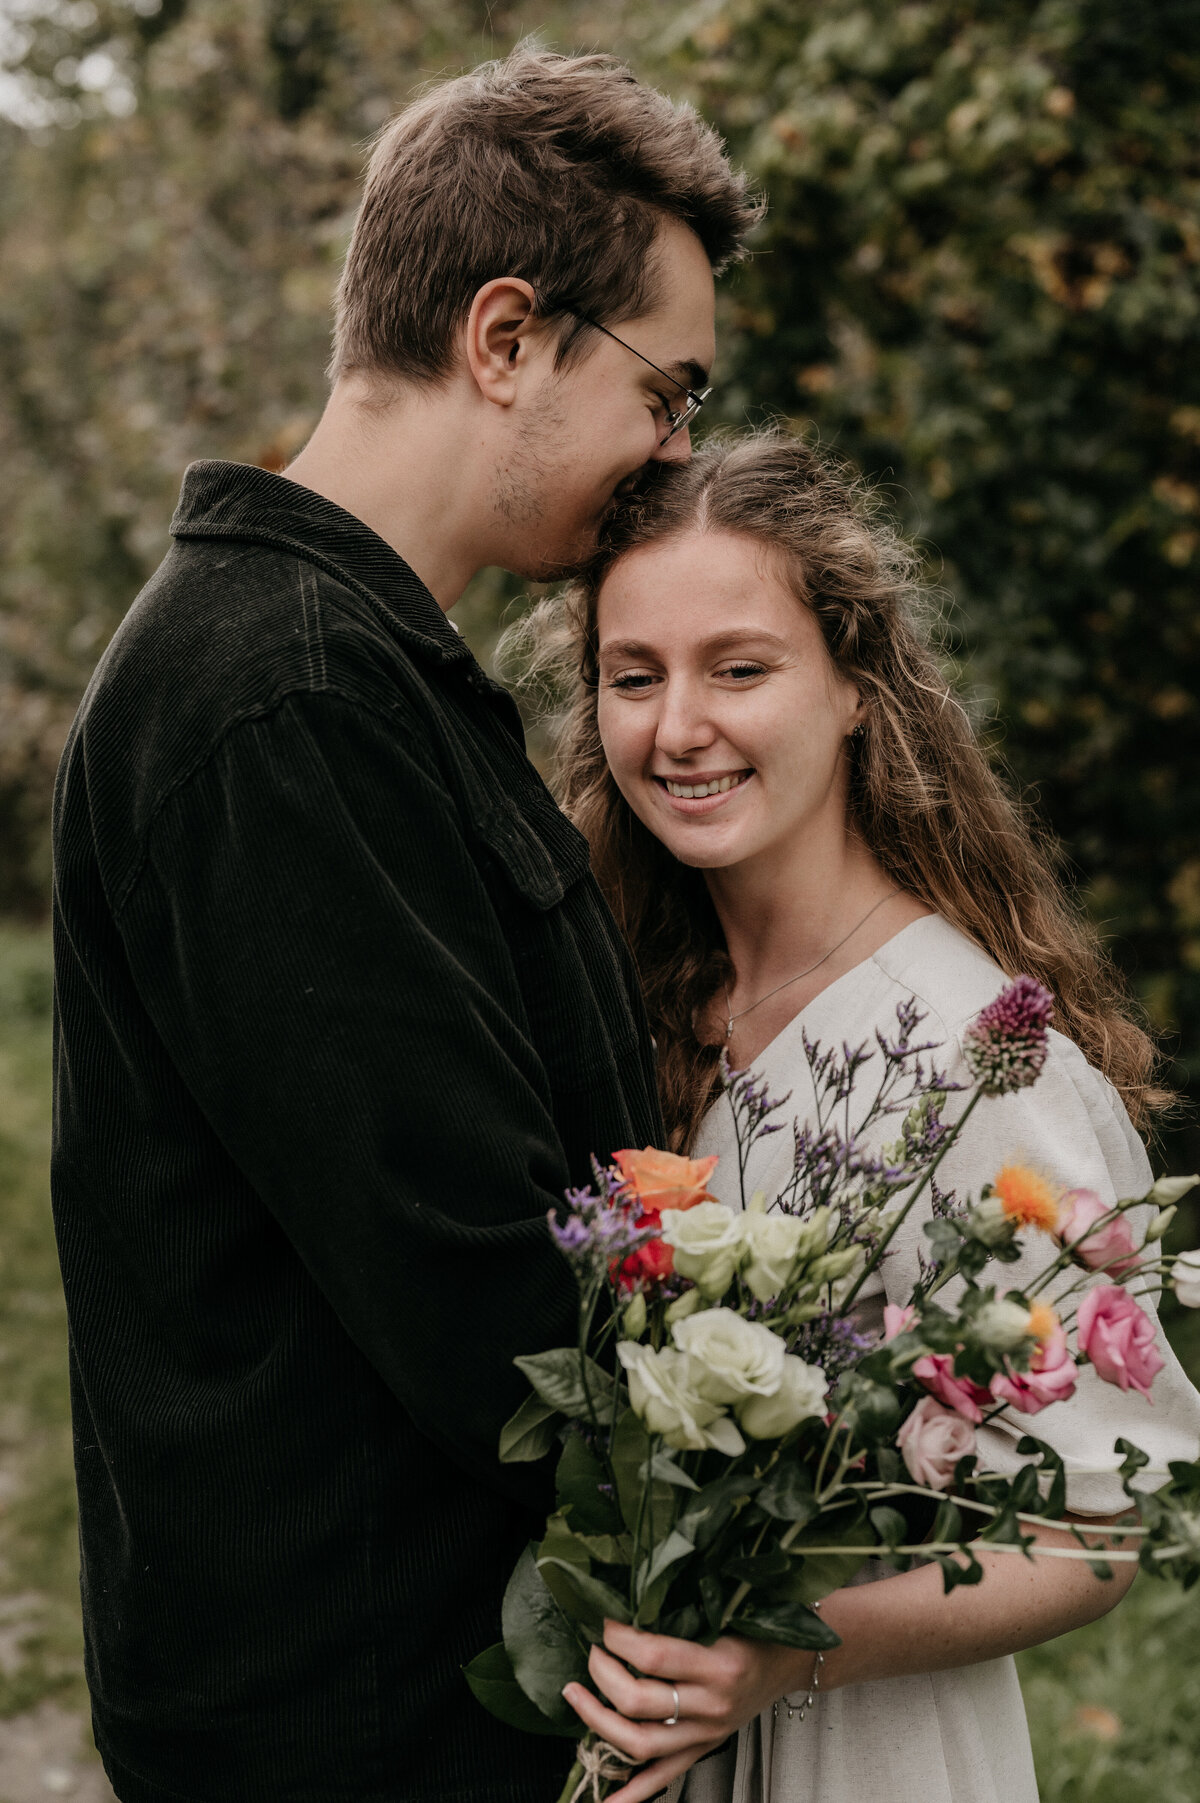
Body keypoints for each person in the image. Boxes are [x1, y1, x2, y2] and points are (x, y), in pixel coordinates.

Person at [49, 47, 757, 1803]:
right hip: (348, 1724)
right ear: (506, 339)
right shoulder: (284, 700)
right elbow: (476, 1281)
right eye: (666, 393)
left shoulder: (366, 672)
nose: (675, 457)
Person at [510, 430, 1200, 1803]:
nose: (676, 727)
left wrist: (783, 1655)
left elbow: (1099, 1526)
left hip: (865, 1750)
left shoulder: (975, 1062)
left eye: (741, 669)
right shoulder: (627, 1003)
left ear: (856, 693)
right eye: (632, 677)